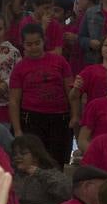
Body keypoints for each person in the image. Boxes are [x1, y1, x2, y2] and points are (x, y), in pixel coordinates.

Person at [8, 23, 75, 164]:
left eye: (37, 43)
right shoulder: (20, 68)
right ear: (23, 45)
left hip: (59, 119)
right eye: (29, 44)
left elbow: (71, 92)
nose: (33, 48)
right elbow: (14, 101)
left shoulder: (60, 61)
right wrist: (18, 130)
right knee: (33, 163)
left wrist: (75, 116)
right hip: (31, 120)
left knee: (56, 163)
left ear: (44, 41)